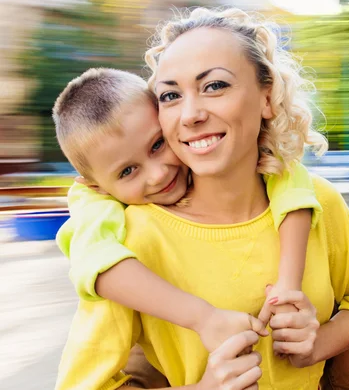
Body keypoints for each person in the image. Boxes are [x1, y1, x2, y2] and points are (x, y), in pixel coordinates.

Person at [55, 7, 349, 390]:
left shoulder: (318, 200)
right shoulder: (129, 243)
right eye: (170, 95)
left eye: (215, 85)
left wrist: (317, 344)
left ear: (267, 97)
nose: (192, 113)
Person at [52, 68, 320, 354]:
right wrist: (203, 317)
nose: (157, 174)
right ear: (97, 186)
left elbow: (289, 176)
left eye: (158, 144)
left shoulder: (224, 160)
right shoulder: (94, 204)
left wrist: (288, 285)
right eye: (128, 171)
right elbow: (96, 263)